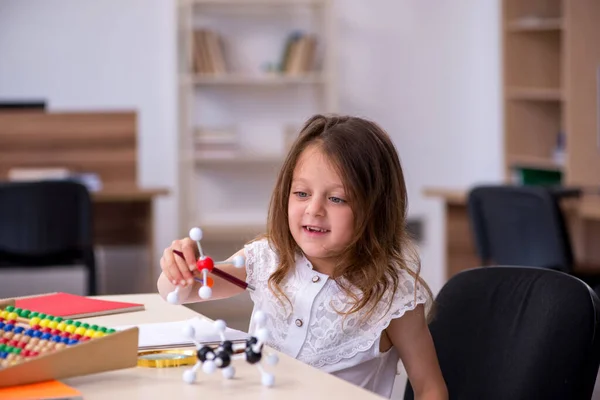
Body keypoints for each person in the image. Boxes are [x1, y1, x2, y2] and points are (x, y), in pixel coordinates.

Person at [157, 114, 448, 399]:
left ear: (376, 210)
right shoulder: (269, 258)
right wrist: (179, 267)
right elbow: (180, 291)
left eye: (336, 198)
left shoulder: (393, 296)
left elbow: (430, 388)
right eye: (301, 193)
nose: (314, 209)